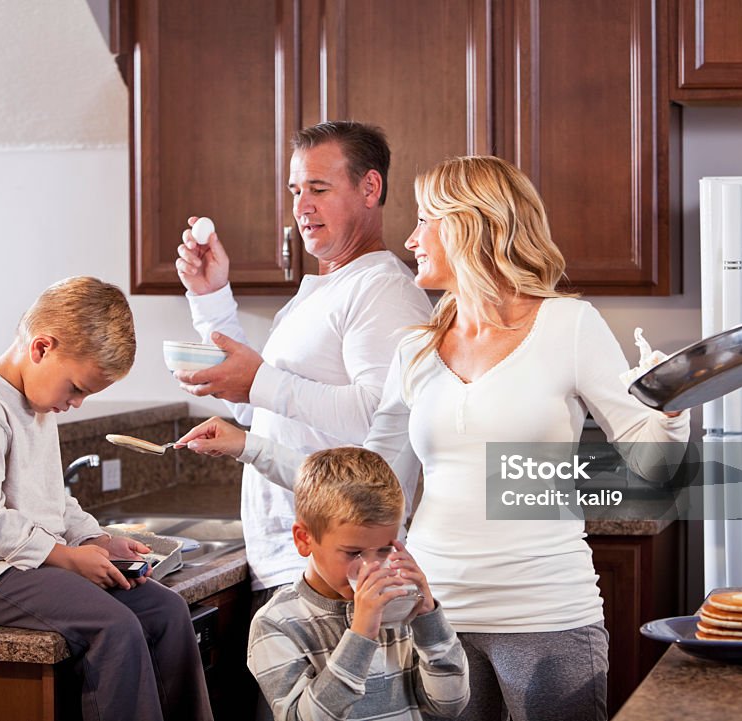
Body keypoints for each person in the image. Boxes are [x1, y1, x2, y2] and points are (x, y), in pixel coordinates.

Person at [178, 155, 691, 721]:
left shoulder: (570, 325)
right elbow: (363, 484)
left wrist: (669, 406)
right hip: (433, 619)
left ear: (472, 224)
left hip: (547, 615)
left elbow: (655, 467)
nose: (411, 237)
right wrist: (248, 446)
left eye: (425, 220)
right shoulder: (415, 350)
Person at [0, 277, 213, 721]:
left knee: (166, 609)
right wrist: (68, 558)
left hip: (36, 565)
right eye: (76, 388)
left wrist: (96, 539)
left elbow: (53, 499)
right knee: (114, 627)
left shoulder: (35, 405)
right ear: (41, 349)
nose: (75, 403)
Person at [173, 120, 432, 613]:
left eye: (319, 188)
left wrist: (260, 382)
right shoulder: (321, 292)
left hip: (337, 572)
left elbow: (382, 418)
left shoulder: (384, 291)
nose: (301, 206)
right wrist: (211, 298)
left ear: (369, 187)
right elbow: (267, 412)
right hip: (292, 562)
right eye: (295, 190)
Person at [247, 446, 469, 721]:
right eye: (353, 553)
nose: (371, 567)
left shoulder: (398, 611)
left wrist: (429, 621)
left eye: (384, 550)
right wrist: (361, 635)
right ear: (304, 539)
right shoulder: (276, 623)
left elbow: (450, 705)